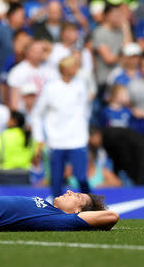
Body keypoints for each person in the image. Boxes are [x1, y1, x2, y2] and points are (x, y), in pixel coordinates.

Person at [31, 56, 90, 197]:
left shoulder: (81, 84)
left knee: (81, 177)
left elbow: (85, 110)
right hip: (56, 141)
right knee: (56, 180)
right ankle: (56, 209)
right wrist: (39, 137)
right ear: (64, 69)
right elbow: (37, 113)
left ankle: (92, 205)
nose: (76, 69)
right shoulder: (51, 88)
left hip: (78, 139)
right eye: (73, 66)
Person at [8, 41, 59, 111]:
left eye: (41, 51)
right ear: (27, 52)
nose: (39, 53)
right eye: (35, 51)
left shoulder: (49, 70)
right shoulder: (18, 71)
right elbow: (14, 101)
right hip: (26, 113)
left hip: (45, 113)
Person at [0, 3, 25, 71]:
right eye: (21, 15)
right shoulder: (1, 29)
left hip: (19, 71)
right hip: (2, 71)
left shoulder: (23, 32)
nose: (23, 18)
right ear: (11, 15)